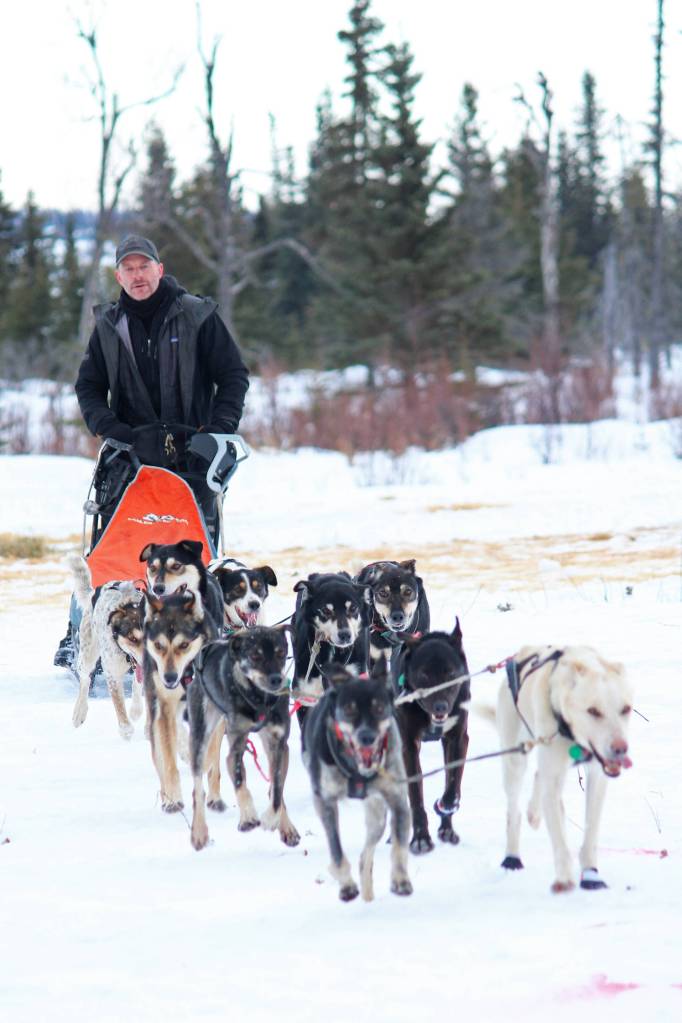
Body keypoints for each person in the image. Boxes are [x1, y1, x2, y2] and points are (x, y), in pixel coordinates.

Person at [53, 234, 250, 667]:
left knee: (197, 556)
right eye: (129, 268)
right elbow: (88, 388)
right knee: (109, 554)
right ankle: (80, 643)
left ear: (160, 270)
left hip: (192, 460)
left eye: (145, 267)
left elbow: (233, 377)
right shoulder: (107, 326)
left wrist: (215, 434)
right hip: (129, 461)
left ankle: (206, 645)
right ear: (118, 275)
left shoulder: (199, 315)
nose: (137, 276)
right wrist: (115, 431)